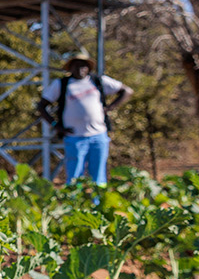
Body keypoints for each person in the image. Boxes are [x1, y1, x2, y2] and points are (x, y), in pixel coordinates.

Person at [37, 57, 130, 186]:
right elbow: (41, 106)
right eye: (76, 65)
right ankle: (74, 204)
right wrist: (56, 125)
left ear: (88, 68)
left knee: (98, 176)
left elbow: (127, 91)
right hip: (74, 137)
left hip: (98, 136)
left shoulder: (97, 81)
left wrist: (109, 108)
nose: (80, 69)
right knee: (74, 177)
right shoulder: (62, 84)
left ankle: (97, 204)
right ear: (70, 68)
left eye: (83, 65)